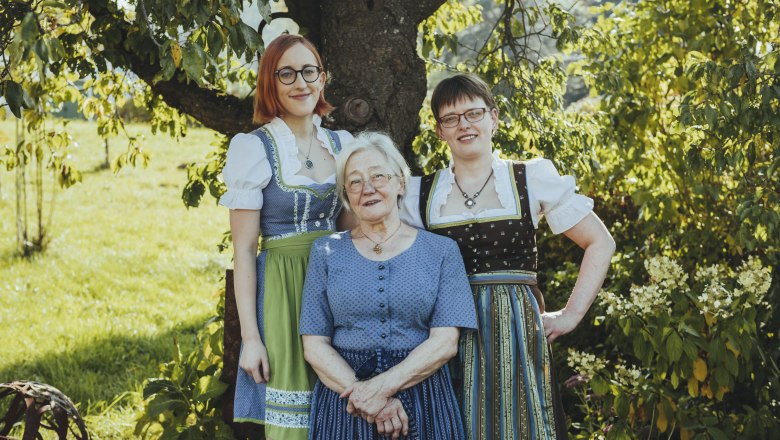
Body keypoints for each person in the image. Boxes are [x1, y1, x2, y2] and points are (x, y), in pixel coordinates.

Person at [401, 73, 616, 439]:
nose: (464, 125)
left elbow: (600, 242)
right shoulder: (419, 193)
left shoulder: (530, 177)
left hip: (517, 328)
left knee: (524, 423)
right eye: (451, 118)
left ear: (493, 118)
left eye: (473, 113)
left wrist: (571, 314)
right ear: (440, 131)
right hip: (448, 332)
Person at [299, 132, 478, 439]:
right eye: (354, 181)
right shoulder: (325, 252)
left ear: (400, 183)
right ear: (346, 195)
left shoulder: (441, 251)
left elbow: (446, 342)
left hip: (423, 396)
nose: (367, 188)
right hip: (347, 402)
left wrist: (383, 388)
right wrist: (370, 399)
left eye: (377, 176)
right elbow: (314, 345)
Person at [218, 34, 353, 440]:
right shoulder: (252, 148)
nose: (301, 83)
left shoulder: (342, 145)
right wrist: (251, 339)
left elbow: (352, 230)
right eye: (287, 73)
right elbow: (244, 251)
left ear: (323, 78)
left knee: (344, 408)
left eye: (309, 71)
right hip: (282, 290)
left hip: (335, 287)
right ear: (270, 83)